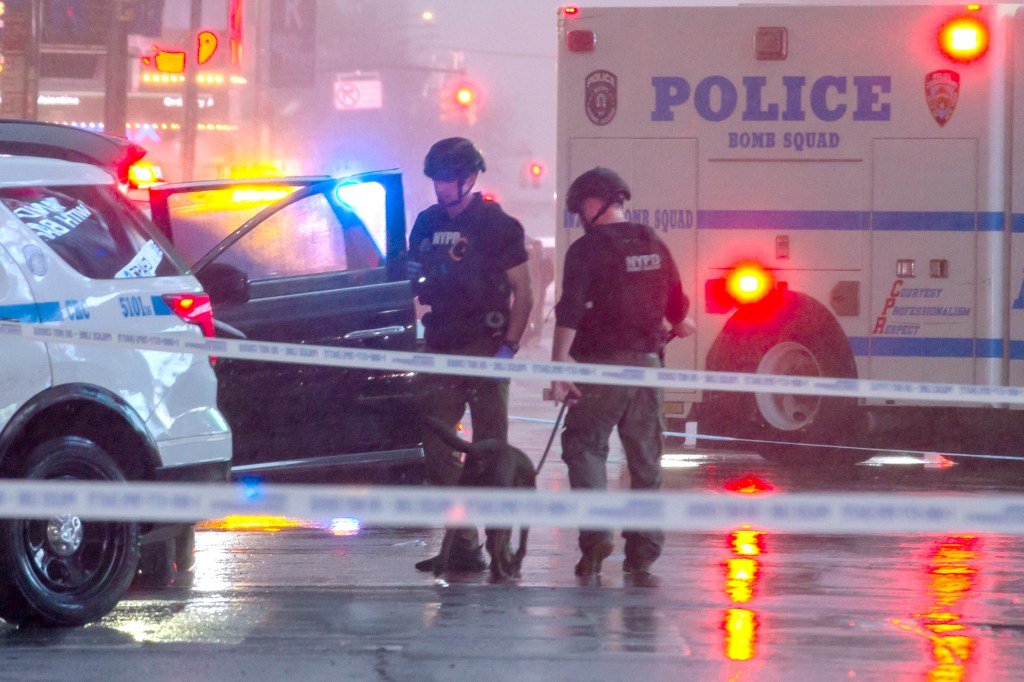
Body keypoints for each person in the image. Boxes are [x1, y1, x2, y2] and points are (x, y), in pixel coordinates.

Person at [550, 167, 694, 583]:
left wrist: (559, 370)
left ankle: (596, 537)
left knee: (585, 446)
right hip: (649, 369)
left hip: (603, 368)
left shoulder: (586, 250)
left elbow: (570, 313)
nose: (580, 215)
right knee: (645, 460)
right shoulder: (653, 241)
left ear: (594, 204)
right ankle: (643, 554)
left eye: (580, 208)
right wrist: (680, 324)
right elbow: (679, 312)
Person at [408, 137, 533, 572]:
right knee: (437, 444)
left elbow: (524, 293)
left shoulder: (498, 226)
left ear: (470, 178)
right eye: (436, 180)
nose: (440, 189)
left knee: (491, 453)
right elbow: (406, 283)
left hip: (485, 346)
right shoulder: (425, 223)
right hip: (440, 346)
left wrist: (508, 348)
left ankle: (501, 550)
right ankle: (464, 543)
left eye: (447, 181)